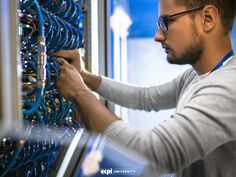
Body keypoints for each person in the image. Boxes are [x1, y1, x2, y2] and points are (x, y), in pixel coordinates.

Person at [52, 0, 236, 176]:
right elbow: (145, 97)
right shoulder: (196, 77)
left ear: (208, 18)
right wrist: (85, 78)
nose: (158, 36)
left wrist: (80, 93)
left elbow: (148, 156)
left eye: (166, 21)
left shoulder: (228, 86)